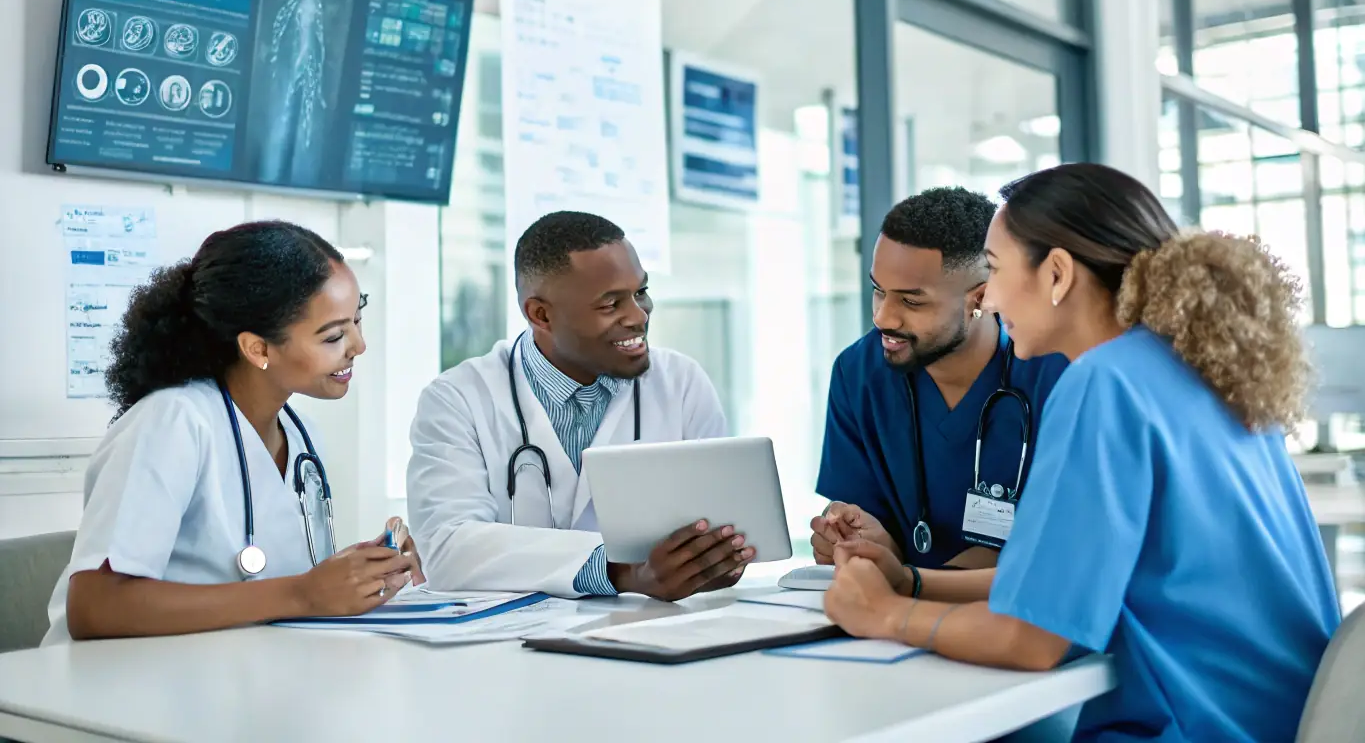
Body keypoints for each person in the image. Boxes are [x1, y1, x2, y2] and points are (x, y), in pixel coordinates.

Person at [823, 163, 1341, 743]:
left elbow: (1032, 638)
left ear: (1058, 274)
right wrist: (914, 582)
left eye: (993, 270)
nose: (988, 298)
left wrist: (885, 615)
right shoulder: (1206, 372)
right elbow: (1057, 580)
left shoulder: (1106, 382)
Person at [45, 221, 423, 644]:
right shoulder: (173, 422)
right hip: (113, 689)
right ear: (257, 348)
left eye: (357, 320)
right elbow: (95, 607)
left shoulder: (300, 435)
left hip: (232, 676)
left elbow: (281, 592)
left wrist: (361, 575)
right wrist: (302, 593)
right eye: (334, 335)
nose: (359, 345)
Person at [407, 211, 752, 599]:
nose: (639, 316)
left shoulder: (681, 384)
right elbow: (448, 549)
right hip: (504, 649)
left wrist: (714, 560)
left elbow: (723, 523)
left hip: (650, 634)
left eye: (640, 293)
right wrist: (620, 572)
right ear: (541, 314)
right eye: (610, 304)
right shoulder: (457, 399)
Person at [811, 188, 1069, 584]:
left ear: (981, 298)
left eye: (912, 302)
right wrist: (862, 541)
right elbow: (872, 538)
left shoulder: (1052, 373)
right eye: (879, 290)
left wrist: (912, 583)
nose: (883, 317)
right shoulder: (859, 372)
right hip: (897, 623)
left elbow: (1055, 558)